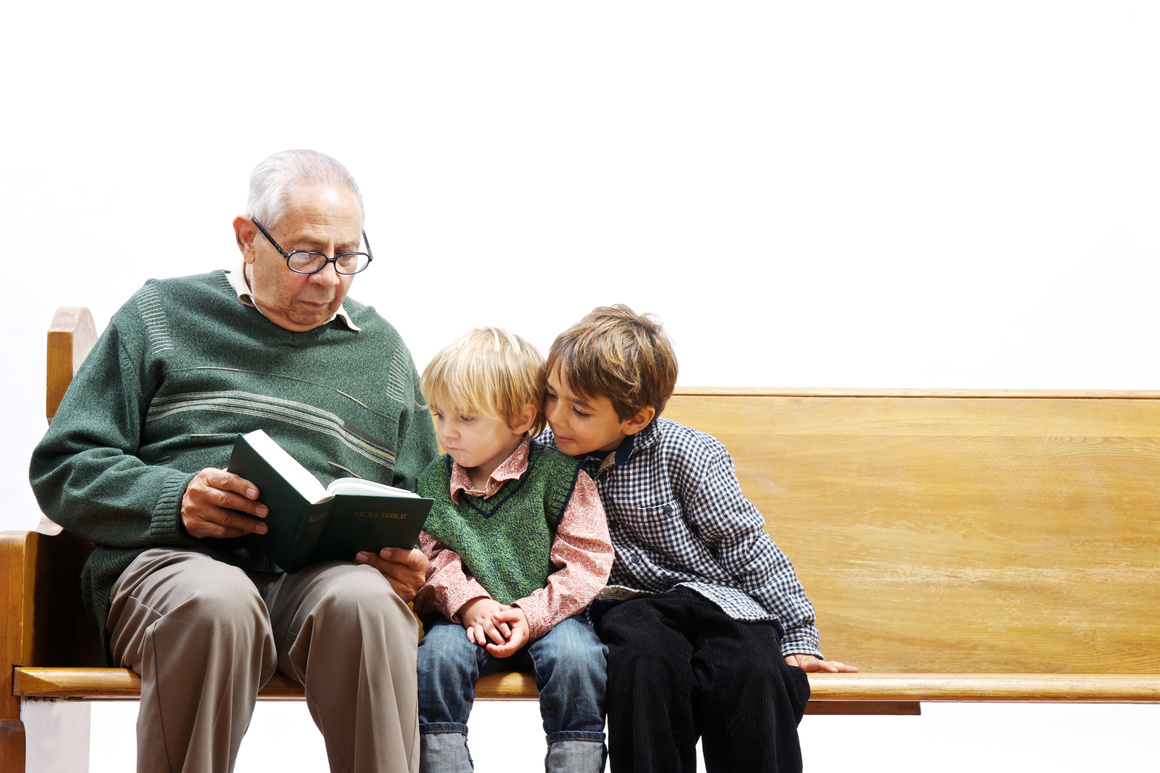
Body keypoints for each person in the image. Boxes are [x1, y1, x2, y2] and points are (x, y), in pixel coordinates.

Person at [28, 149, 439, 773]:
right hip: (176, 570)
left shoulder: (382, 352)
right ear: (248, 238)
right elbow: (64, 466)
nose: (329, 277)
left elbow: (424, 502)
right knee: (217, 602)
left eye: (348, 256)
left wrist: (411, 562)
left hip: (319, 584)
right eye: (305, 253)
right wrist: (177, 500)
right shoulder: (161, 314)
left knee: (370, 607)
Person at [538, 304, 858, 773]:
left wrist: (798, 636)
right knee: (642, 664)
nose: (557, 418)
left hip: (717, 599)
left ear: (636, 418)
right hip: (630, 604)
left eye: (579, 410)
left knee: (754, 668)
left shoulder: (689, 454)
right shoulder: (544, 459)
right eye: (551, 397)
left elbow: (746, 546)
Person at [412, 328, 613, 772]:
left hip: (550, 616)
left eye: (466, 418)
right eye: (439, 414)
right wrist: (470, 604)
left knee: (578, 659)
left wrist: (529, 614)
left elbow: (586, 562)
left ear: (521, 419)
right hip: (465, 618)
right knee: (438, 657)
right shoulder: (432, 482)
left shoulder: (560, 476)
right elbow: (428, 557)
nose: (447, 432)